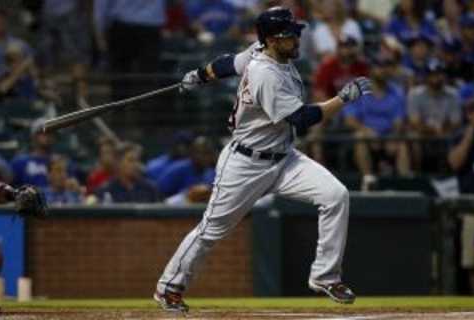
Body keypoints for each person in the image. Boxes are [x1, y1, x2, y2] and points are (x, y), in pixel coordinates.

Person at [154, 6, 372, 312]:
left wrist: (201, 75)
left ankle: (325, 276)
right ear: (271, 39)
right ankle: (169, 287)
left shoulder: (261, 50)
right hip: (245, 164)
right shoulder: (265, 73)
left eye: (295, 33)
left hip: (284, 158)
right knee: (211, 231)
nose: (296, 39)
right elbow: (301, 117)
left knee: (336, 195)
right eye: (289, 35)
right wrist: (342, 99)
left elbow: (229, 63)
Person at [343, 55, 409, 189]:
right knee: (360, 137)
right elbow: (349, 120)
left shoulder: (397, 92)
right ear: (371, 70)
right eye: (379, 66)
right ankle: (368, 180)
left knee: (402, 144)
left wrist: (393, 136)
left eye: (387, 66)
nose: (383, 70)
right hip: (366, 136)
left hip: (388, 136)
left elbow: (398, 122)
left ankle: (406, 184)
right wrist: (366, 131)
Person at [407, 58, 461, 171]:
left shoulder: (453, 94)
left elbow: (456, 122)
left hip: (446, 134)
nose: (436, 78)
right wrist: (433, 131)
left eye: (439, 74)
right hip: (424, 134)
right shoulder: (415, 94)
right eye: (432, 74)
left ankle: (452, 173)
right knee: (413, 136)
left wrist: (443, 131)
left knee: (458, 136)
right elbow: (414, 121)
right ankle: (417, 173)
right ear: (426, 76)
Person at [448, 95, 474, 294]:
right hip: (471, 206)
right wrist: (471, 131)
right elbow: (455, 163)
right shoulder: (462, 136)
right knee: (473, 260)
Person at [95, 143, 160, 203]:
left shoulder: (149, 189)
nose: (135, 164)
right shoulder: (106, 190)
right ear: (118, 162)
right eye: (130, 160)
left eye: (137, 160)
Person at [11, 119, 55, 188]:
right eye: (42, 132)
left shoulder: (60, 162)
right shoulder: (19, 162)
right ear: (33, 136)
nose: (47, 136)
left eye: (50, 132)